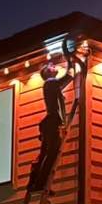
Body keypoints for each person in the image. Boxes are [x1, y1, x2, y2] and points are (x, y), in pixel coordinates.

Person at [28, 61, 71, 190]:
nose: (54, 67)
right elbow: (66, 78)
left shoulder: (51, 85)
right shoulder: (50, 82)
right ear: (47, 73)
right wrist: (70, 63)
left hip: (50, 122)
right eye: (51, 67)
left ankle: (36, 182)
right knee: (50, 153)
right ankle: (39, 183)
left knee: (45, 154)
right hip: (52, 122)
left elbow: (63, 82)